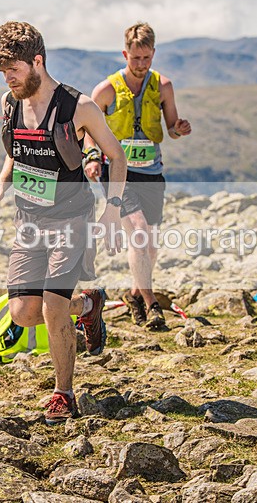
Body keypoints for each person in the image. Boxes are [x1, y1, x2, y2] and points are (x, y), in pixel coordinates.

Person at [0, 21, 127, 425]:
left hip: (71, 218)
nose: (8, 78)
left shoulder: (77, 107)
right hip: (29, 220)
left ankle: (64, 393)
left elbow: (117, 156)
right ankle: (89, 305)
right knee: (24, 312)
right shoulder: (10, 103)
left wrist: (112, 210)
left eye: (13, 69)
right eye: (3, 72)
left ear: (38, 61)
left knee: (51, 307)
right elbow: (17, 149)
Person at [83, 22, 191, 331]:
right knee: (139, 231)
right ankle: (151, 302)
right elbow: (88, 129)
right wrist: (91, 157)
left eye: (146, 58)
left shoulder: (163, 86)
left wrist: (178, 129)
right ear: (124, 53)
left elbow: (170, 129)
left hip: (151, 170)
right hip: (117, 171)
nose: (141, 64)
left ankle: (134, 294)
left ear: (153, 54)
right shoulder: (105, 90)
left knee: (150, 244)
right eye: (135, 58)